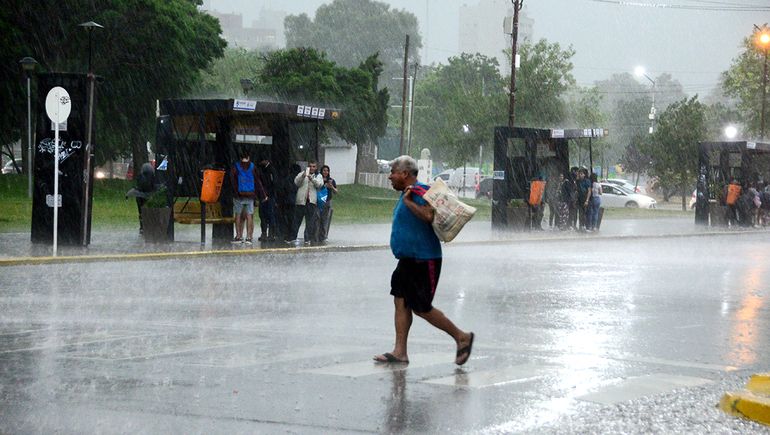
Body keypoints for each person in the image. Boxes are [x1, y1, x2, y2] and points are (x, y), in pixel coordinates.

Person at [373, 155, 474, 366]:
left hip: (424, 259)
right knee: (400, 301)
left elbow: (428, 216)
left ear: (405, 174)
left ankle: (461, 337)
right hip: (407, 260)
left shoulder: (420, 192)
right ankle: (400, 352)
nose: (390, 176)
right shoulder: (406, 193)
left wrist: (409, 203)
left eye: (393, 172)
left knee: (421, 307)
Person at [230, 151, 267, 245]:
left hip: (239, 195)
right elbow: (257, 181)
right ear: (249, 157)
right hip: (250, 195)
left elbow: (233, 180)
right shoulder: (252, 167)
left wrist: (235, 192)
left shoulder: (236, 166)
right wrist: (263, 195)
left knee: (238, 215)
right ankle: (249, 237)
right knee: (249, 215)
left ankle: (238, 236)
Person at [292, 161, 324, 244]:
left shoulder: (318, 176)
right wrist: (303, 176)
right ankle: (293, 237)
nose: (312, 168)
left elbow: (319, 185)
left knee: (309, 221)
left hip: (311, 202)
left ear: (316, 167)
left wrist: (312, 179)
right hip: (301, 201)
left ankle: (307, 238)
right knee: (297, 220)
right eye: (310, 166)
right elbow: (296, 182)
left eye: (314, 166)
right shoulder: (302, 174)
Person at [275, 164, 299, 242]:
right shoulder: (297, 179)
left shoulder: (287, 179)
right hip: (294, 200)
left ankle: (287, 234)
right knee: (293, 219)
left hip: (287, 201)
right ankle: (292, 235)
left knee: (288, 219)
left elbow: (283, 190)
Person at [257, 157, 277, 241]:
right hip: (265, 195)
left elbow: (273, 183)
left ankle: (270, 233)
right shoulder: (264, 169)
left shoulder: (271, 170)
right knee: (263, 215)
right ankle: (265, 233)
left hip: (269, 196)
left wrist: (267, 195)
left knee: (269, 215)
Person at [318, 165, 338, 242]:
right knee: (317, 219)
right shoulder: (319, 179)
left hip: (327, 201)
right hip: (319, 201)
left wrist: (331, 186)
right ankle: (315, 235)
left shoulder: (331, 180)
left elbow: (336, 192)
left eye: (327, 171)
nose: (325, 172)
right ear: (321, 171)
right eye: (324, 170)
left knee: (325, 220)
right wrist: (324, 186)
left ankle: (323, 236)